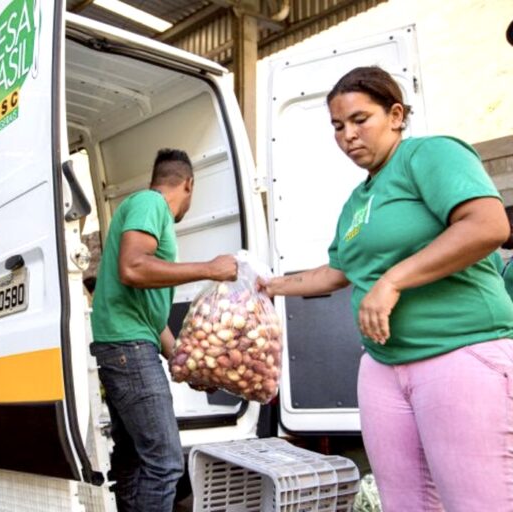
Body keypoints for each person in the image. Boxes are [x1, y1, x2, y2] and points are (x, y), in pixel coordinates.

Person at [259, 66, 513, 511]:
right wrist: (268, 286)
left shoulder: (430, 155)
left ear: (396, 114)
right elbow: (338, 272)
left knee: (478, 501)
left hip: (458, 351)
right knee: (405, 502)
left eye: (360, 120)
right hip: (384, 366)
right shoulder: (358, 201)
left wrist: (393, 281)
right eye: (338, 126)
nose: (347, 135)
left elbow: (488, 225)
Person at [89, 148, 237, 512]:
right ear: (188, 184)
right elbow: (133, 268)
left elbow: (151, 321)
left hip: (128, 344)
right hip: (130, 350)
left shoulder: (146, 210)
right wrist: (210, 268)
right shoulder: (150, 204)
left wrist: (188, 365)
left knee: (134, 460)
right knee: (165, 462)